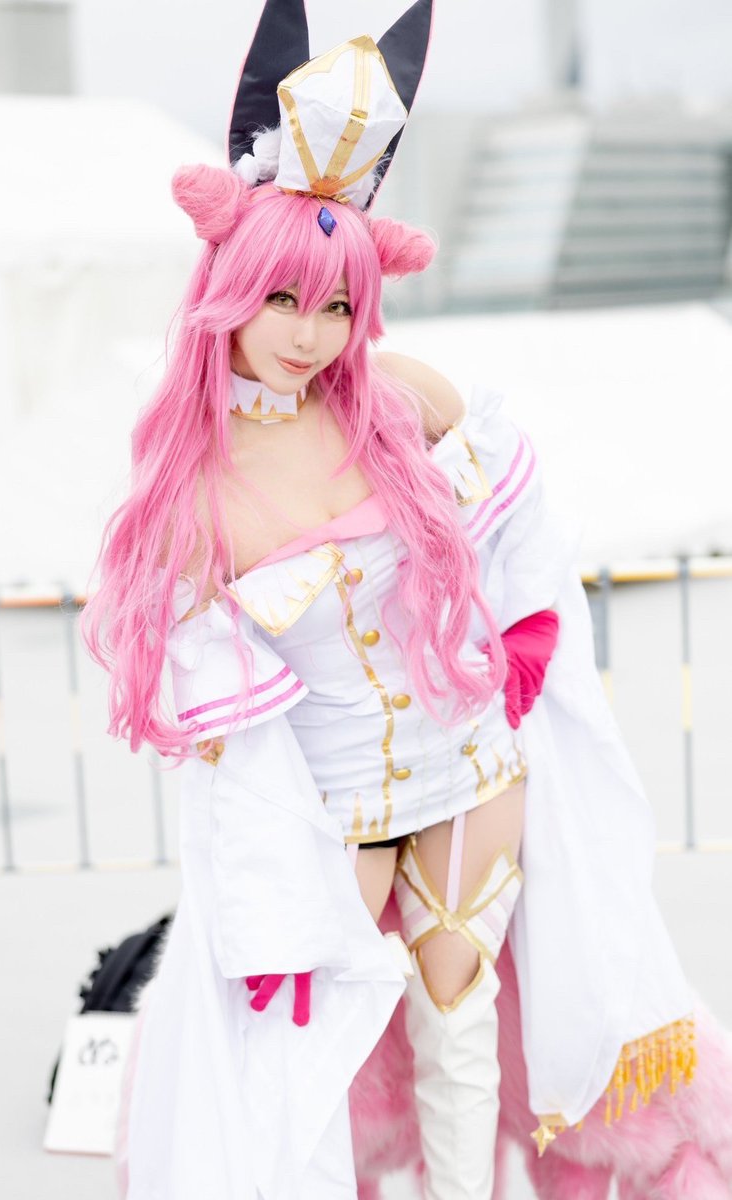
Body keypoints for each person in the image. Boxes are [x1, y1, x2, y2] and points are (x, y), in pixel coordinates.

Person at [82, 3, 696, 1197]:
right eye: (283, 300)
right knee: (304, 1050)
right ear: (227, 290)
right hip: (329, 809)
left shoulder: (402, 399)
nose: (312, 336)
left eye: (339, 307)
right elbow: (207, 708)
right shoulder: (194, 492)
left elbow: (521, 517)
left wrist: (523, 631)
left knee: (456, 1031)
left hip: (468, 766)